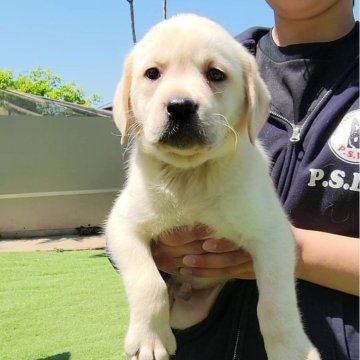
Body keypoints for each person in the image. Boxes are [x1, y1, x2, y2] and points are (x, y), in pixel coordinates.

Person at [151, 1, 359, 359]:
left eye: (214, 76)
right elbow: (136, 202)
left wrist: (287, 249)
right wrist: (158, 246)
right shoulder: (201, 58)